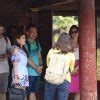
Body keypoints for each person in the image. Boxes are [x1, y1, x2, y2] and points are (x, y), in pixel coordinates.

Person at [44, 33, 75, 100]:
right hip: (64, 79)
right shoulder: (71, 54)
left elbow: (47, 64)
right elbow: (71, 69)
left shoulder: (51, 51)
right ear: (69, 42)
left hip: (51, 78)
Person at [11, 31, 40, 100]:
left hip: (23, 74)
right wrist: (15, 77)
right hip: (18, 75)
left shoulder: (22, 50)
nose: (25, 39)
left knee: (23, 95)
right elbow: (15, 63)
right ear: (17, 40)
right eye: (23, 38)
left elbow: (27, 60)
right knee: (18, 95)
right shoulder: (16, 49)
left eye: (25, 38)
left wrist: (36, 67)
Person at [25, 24, 43, 100]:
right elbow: (26, 59)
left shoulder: (37, 44)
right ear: (27, 33)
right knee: (25, 92)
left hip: (37, 73)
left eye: (35, 32)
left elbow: (40, 57)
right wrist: (36, 68)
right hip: (28, 73)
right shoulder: (25, 44)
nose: (34, 34)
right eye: (32, 32)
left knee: (33, 92)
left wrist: (41, 66)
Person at [68, 25, 80, 100]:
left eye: (76, 32)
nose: (74, 33)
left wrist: (76, 68)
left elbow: (83, 58)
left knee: (78, 91)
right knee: (66, 90)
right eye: (72, 32)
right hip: (68, 69)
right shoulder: (67, 44)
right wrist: (70, 70)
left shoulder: (82, 44)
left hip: (79, 69)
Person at [0, 25, 11, 100]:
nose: (0, 32)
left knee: (3, 91)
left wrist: (5, 55)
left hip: (4, 69)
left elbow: (10, 51)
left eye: (1, 30)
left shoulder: (6, 39)